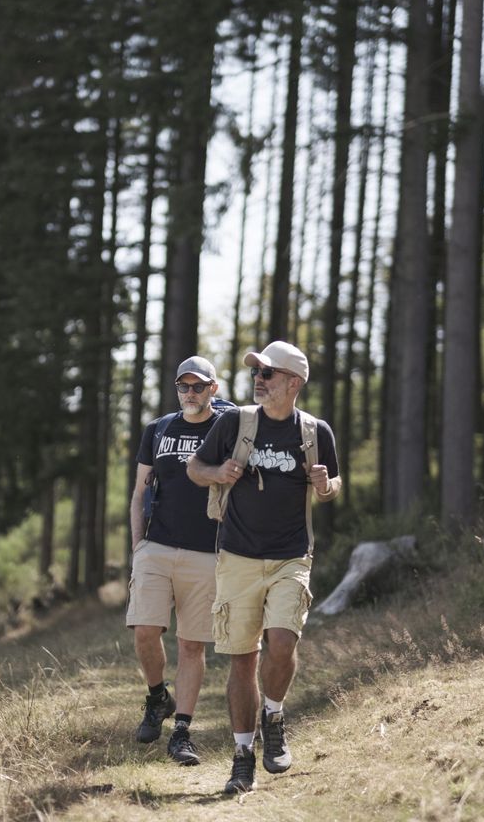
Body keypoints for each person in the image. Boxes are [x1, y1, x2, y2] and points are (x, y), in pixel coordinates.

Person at [186, 340, 341, 794]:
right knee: (241, 662)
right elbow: (196, 468)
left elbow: (333, 484)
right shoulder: (236, 422)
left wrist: (325, 484)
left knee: (280, 643)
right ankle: (241, 757)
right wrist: (219, 475)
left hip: (292, 555)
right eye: (257, 371)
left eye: (268, 373)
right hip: (236, 557)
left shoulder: (315, 432)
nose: (259, 378)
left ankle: (273, 715)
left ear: (293, 383)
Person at [127, 355, 229, 766]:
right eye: (184, 387)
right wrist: (138, 545)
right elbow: (138, 493)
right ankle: (157, 698)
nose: (190, 393)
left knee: (192, 645)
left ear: (213, 390)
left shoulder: (227, 429)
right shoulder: (159, 429)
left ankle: (182, 733)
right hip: (157, 547)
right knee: (145, 631)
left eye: (199, 386)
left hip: (207, 552)